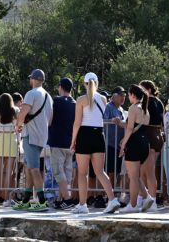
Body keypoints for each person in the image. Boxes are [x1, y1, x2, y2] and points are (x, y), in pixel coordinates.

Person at [70, 72, 121, 214]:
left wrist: (73, 141)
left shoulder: (81, 99)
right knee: (100, 171)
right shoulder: (103, 99)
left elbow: (77, 122)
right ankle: (112, 200)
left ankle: (82, 204)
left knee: (82, 173)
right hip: (99, 134)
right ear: (97, 83)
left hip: (84, 135)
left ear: (85, 84)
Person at [15, 69, 52, 211]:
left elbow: (23, 113)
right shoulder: (48, 96)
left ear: (33, 79)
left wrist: (18, 125)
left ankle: (42, 201)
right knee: (29, 168)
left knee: (34, 169)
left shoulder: (31, 93)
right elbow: (50, 119)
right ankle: (26, 200)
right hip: (42, 136)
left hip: (30, 135)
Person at [118, 85, 155, 212]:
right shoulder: (145, 110)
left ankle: (133, 205)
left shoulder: (133, 108)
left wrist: (123, 145)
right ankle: (147, 196)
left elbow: (129, 129)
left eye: (129, 95)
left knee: (133, 177)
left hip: (134, 143)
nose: (128, 97)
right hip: (145, 144)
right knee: (134, 175)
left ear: (133, 95)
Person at [49, 77, 77, 210]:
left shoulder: (56, 101)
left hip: (57, 141)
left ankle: (67, 199)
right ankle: (60, 200)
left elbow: (50, 118)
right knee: (66, 173)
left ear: (60, 87)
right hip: (70, 142)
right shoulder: (75, 103)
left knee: (58, 172)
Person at [139, 80, 164, 212]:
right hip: (158, 135)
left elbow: (143, 119)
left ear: (148, 89)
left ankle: (151, 201)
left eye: (141, 89)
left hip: (149, 135)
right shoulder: (159, 102)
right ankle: (143, 199)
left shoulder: (146, 101)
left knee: (148, 172)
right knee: (144, 171)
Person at [0, 93, 18, 207]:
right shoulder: (15, 111)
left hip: (0, 139)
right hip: (11, 139)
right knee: (9, 172)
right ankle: (6, 199)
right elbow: (18, 126)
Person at [103, 86, 127, 190]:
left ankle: (111, 193)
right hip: (109, 145)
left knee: (117, 172)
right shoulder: (108, 107)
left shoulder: (121, 109)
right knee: (110, 172)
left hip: (119, 146)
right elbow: (102, 120)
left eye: (124, 95)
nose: (123, 98)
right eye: (121, 95)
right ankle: (107, 194)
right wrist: (112, 120)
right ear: (113, 96)